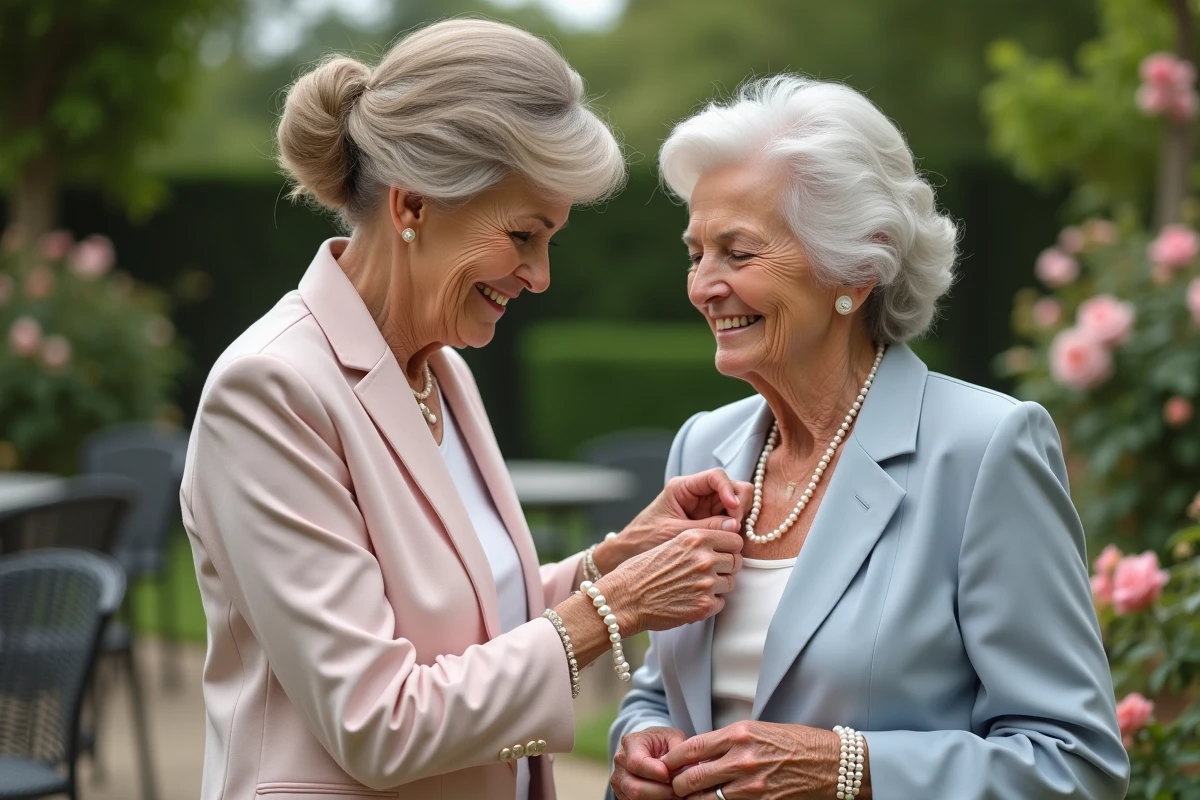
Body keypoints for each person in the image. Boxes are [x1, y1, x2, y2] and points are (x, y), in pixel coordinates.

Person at [180, 20, 748, 800]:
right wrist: (612, 609)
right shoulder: (271, 392)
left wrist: (613, 560)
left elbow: (471, 614)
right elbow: (377, 720)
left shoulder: (441, 369)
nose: (540, 275)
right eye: (523, 235)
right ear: (414, 205)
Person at [608, 75, 1129, 800]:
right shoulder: (703, 447)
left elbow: (1074, 762)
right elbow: (661, 692)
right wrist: (638, 741)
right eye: (697, 253)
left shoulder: (986, 450)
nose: (704, 285)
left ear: (856, 264)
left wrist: (851, 768)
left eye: (739, 252)